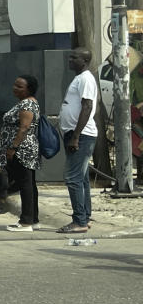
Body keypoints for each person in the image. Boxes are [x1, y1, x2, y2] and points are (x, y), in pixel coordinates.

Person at [58, 48, 98, 234]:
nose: (70, 60)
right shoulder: (79, 78)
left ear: (84, 60)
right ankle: (85, 217)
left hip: (81, 135)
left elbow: (87, 106)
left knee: (73, 179)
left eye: (74, 57)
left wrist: (75, 136)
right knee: (81, 179)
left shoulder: (85, 79)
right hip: (75, 134)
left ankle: (79, 221)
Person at [0, 75, 42, 231]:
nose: (15, 88)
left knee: (25, 184)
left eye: (20, 87)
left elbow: (23, 128)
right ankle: (33, 219)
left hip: (23, 150)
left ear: (29, 89)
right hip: (23, 148)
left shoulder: (27, 104)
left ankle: (26, 222)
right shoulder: (24, 103)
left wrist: (13, 147)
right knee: (28, 184)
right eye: (15, 85)